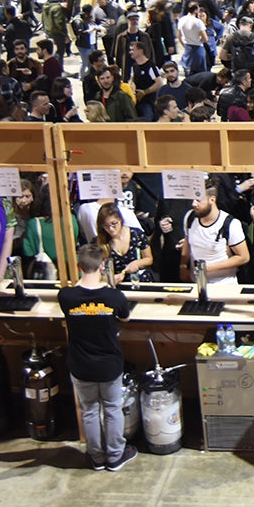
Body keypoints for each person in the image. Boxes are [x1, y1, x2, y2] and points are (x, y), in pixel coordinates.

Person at [58, 243, 137, 472]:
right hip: (108, 364)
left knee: (89, 409)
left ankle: (97, 457)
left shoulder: (66, 296)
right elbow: (125, 318)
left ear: (78, 266)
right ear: (102, 265)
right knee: (112, 408)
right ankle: (115, 456)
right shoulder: (114, 296)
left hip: (81, 364)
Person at [179, 184, 249, 286]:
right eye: (193, 200)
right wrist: (183, 265)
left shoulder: (230, 224)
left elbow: (244, 257)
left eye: (198, 200)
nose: (194, 204)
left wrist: (208, 267)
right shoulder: (190, 217)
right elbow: (187, 242)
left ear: (212, 200)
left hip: (224, 284)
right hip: (197, 283)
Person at [95, 202, 155, 283]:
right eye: (106, 226)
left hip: (139, 280)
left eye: (114, 223)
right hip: (117, 283)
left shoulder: (136, 234)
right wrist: (109, 278)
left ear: (120, 220)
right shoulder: (101, 242)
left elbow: (149, 259)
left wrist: (137, 263)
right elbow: (99, 271)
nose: (111, 229)